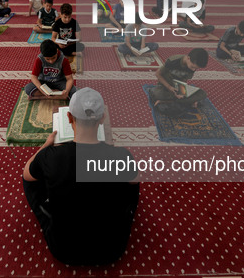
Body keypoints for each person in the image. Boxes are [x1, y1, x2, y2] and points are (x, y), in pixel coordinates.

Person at [22, 87, 139, 265]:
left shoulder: (51, 156)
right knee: (130, 182)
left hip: (63, 249)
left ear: (69, 118)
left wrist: (45, 147)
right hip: (112, 249)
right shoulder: (122, 156)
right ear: (102, 118)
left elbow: (26, 173)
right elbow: (135, 180)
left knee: (31, 180)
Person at [148, 48, 209, 116]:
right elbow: (158, 74)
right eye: (192, 67)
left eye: (196, 68)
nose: (194, 69)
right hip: (165, 86)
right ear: (188, 58)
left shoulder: (192, 66)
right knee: (157, 93)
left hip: (177, 87)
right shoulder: (173, 61)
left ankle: (166, 102)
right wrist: (170, 87)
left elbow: (184, 81)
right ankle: (185, 102)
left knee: (202, 94)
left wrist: (181, 92)